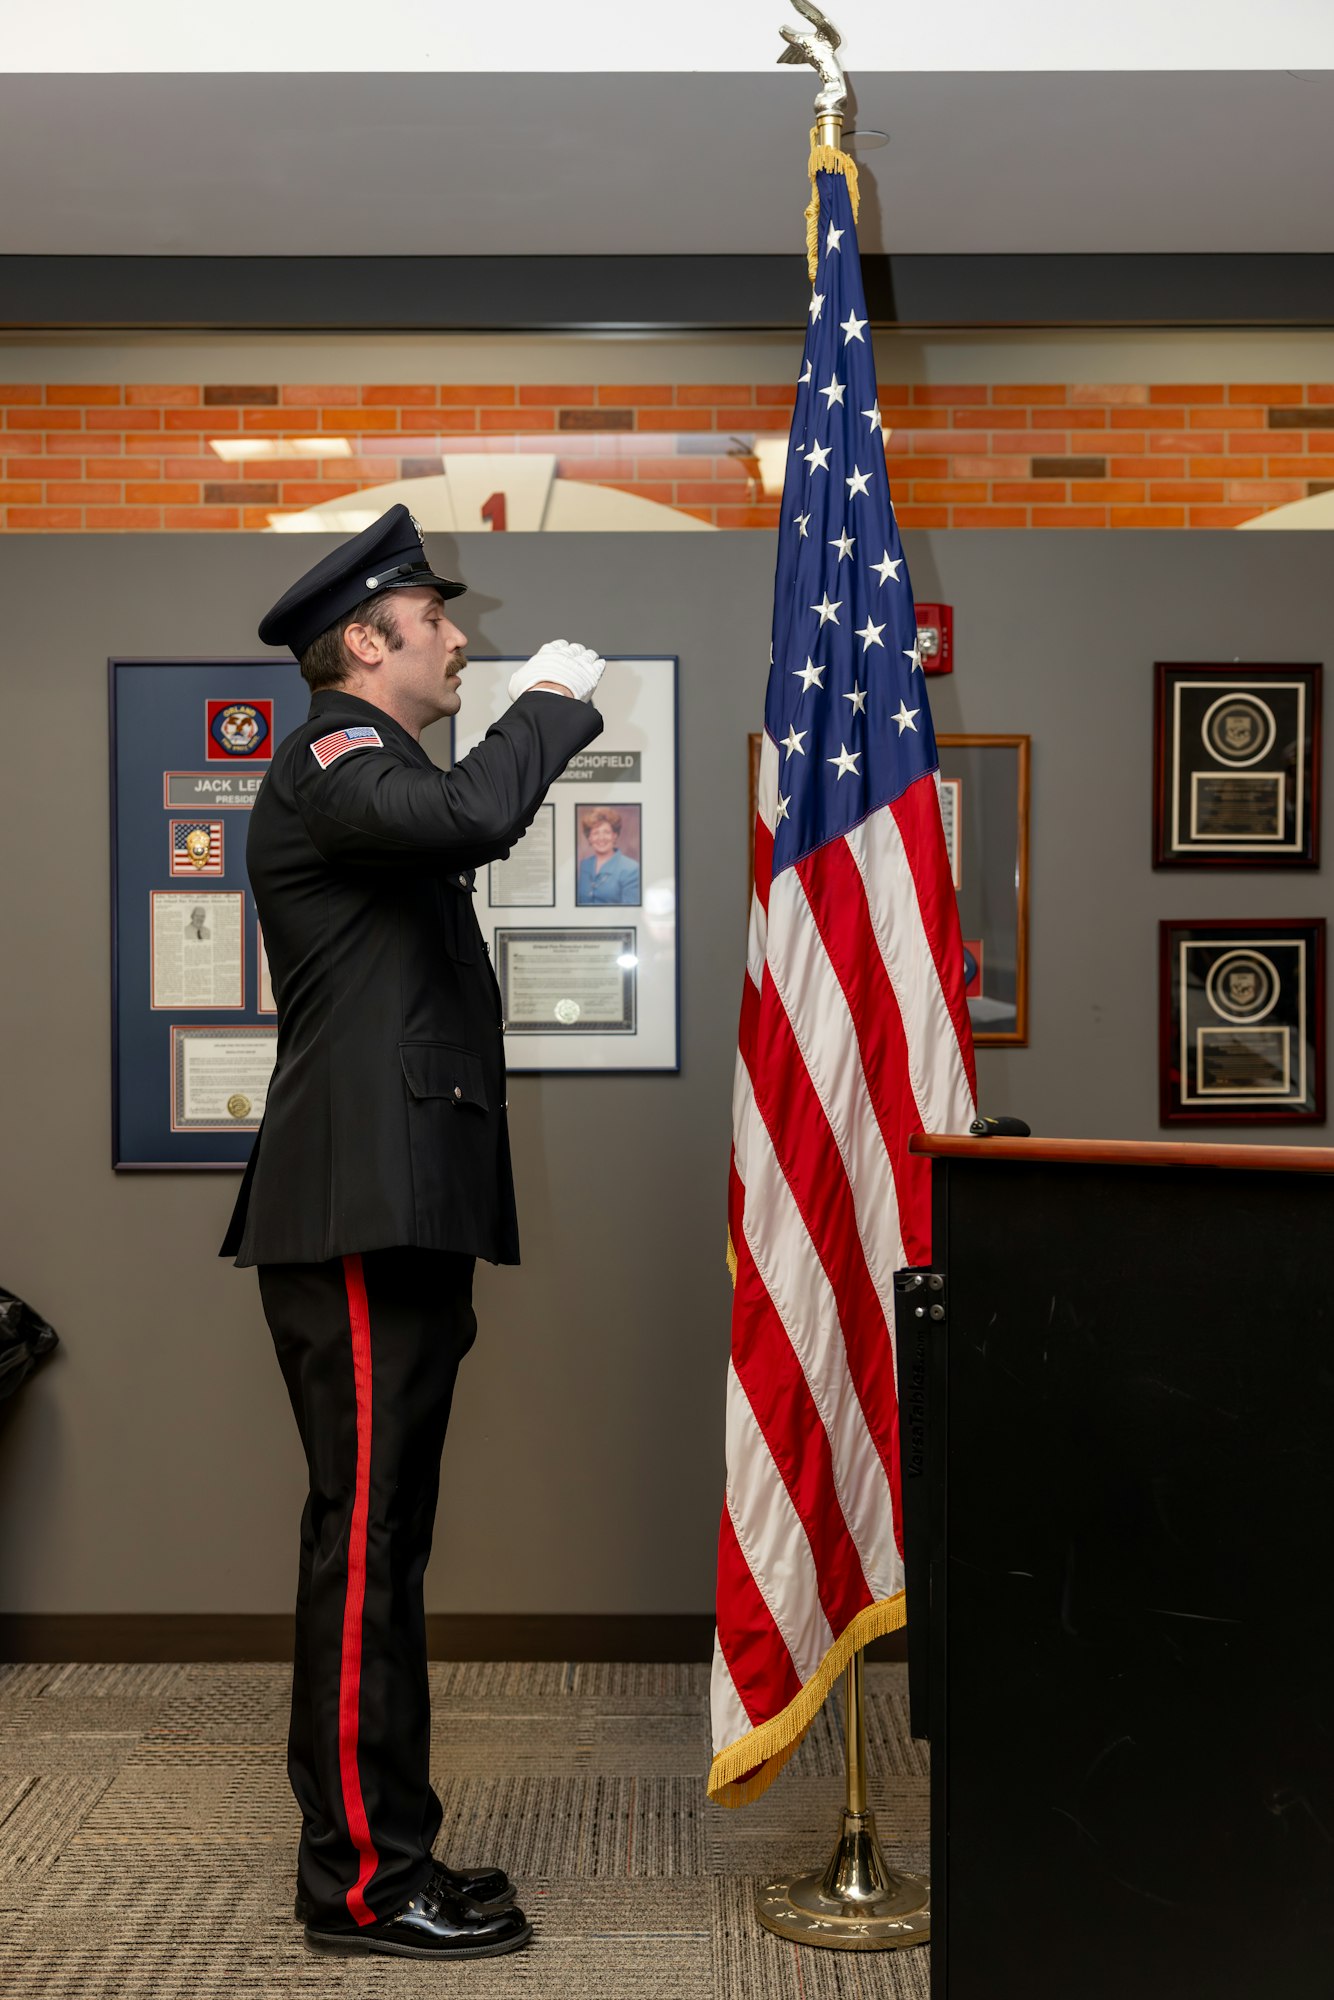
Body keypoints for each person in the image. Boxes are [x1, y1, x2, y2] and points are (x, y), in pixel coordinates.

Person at [220, 504, 605, 1962]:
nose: (461, 638)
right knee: (366, 1545)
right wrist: (558, 704)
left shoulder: (370, 762)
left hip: (393, 1203)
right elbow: (471, 816)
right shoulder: (333, 755)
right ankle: (364, 1887)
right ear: (366, 643)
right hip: (361, 1207)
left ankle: (390, 1854)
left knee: (380, 1542)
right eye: (436, 620)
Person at [576, 807, 640, 906]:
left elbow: (630, 912)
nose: (601, 838)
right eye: (596, 833)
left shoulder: (631, 868)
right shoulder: (584, 865)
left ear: (614, 835)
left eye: (606, 832)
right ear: (589, 837)